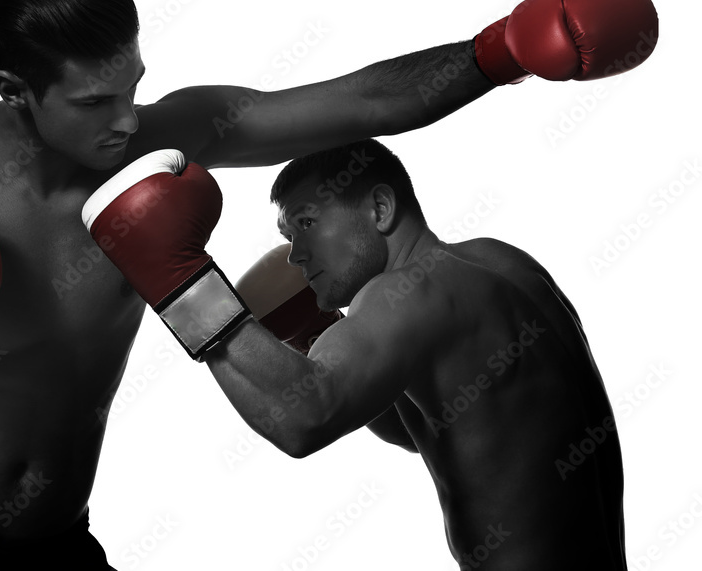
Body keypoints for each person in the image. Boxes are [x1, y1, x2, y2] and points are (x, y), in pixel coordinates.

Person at [0, 0, 653, 569]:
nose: (126, 120)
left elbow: (359, 103)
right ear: (18, 94)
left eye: (134, 85)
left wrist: (497, 52)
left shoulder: (158, 136)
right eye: (92, 101)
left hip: (56, 537)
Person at [81, 140, 628, 570]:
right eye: (289, 234)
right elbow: (428, 428)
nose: (295, 255)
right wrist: (311, 329)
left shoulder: (408, 291)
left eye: (308, 225)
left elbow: (304, 419)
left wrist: (180, 280)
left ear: (380, 208)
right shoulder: (503, 264)